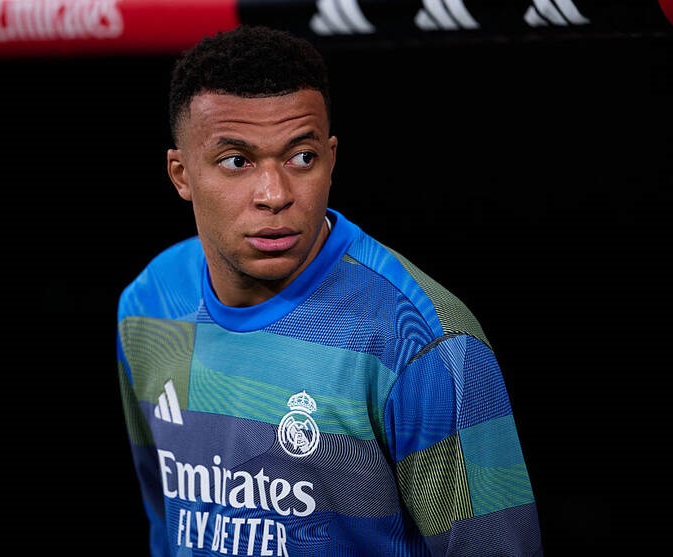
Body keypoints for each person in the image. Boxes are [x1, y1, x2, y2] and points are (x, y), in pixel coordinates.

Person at [116, 24, 542, 556]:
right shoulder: (150, 304)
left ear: (331, 159)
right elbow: (168, 526)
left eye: (301, 157)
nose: (274, 194)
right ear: (181, 175)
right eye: (237, 161)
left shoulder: (422, 342)